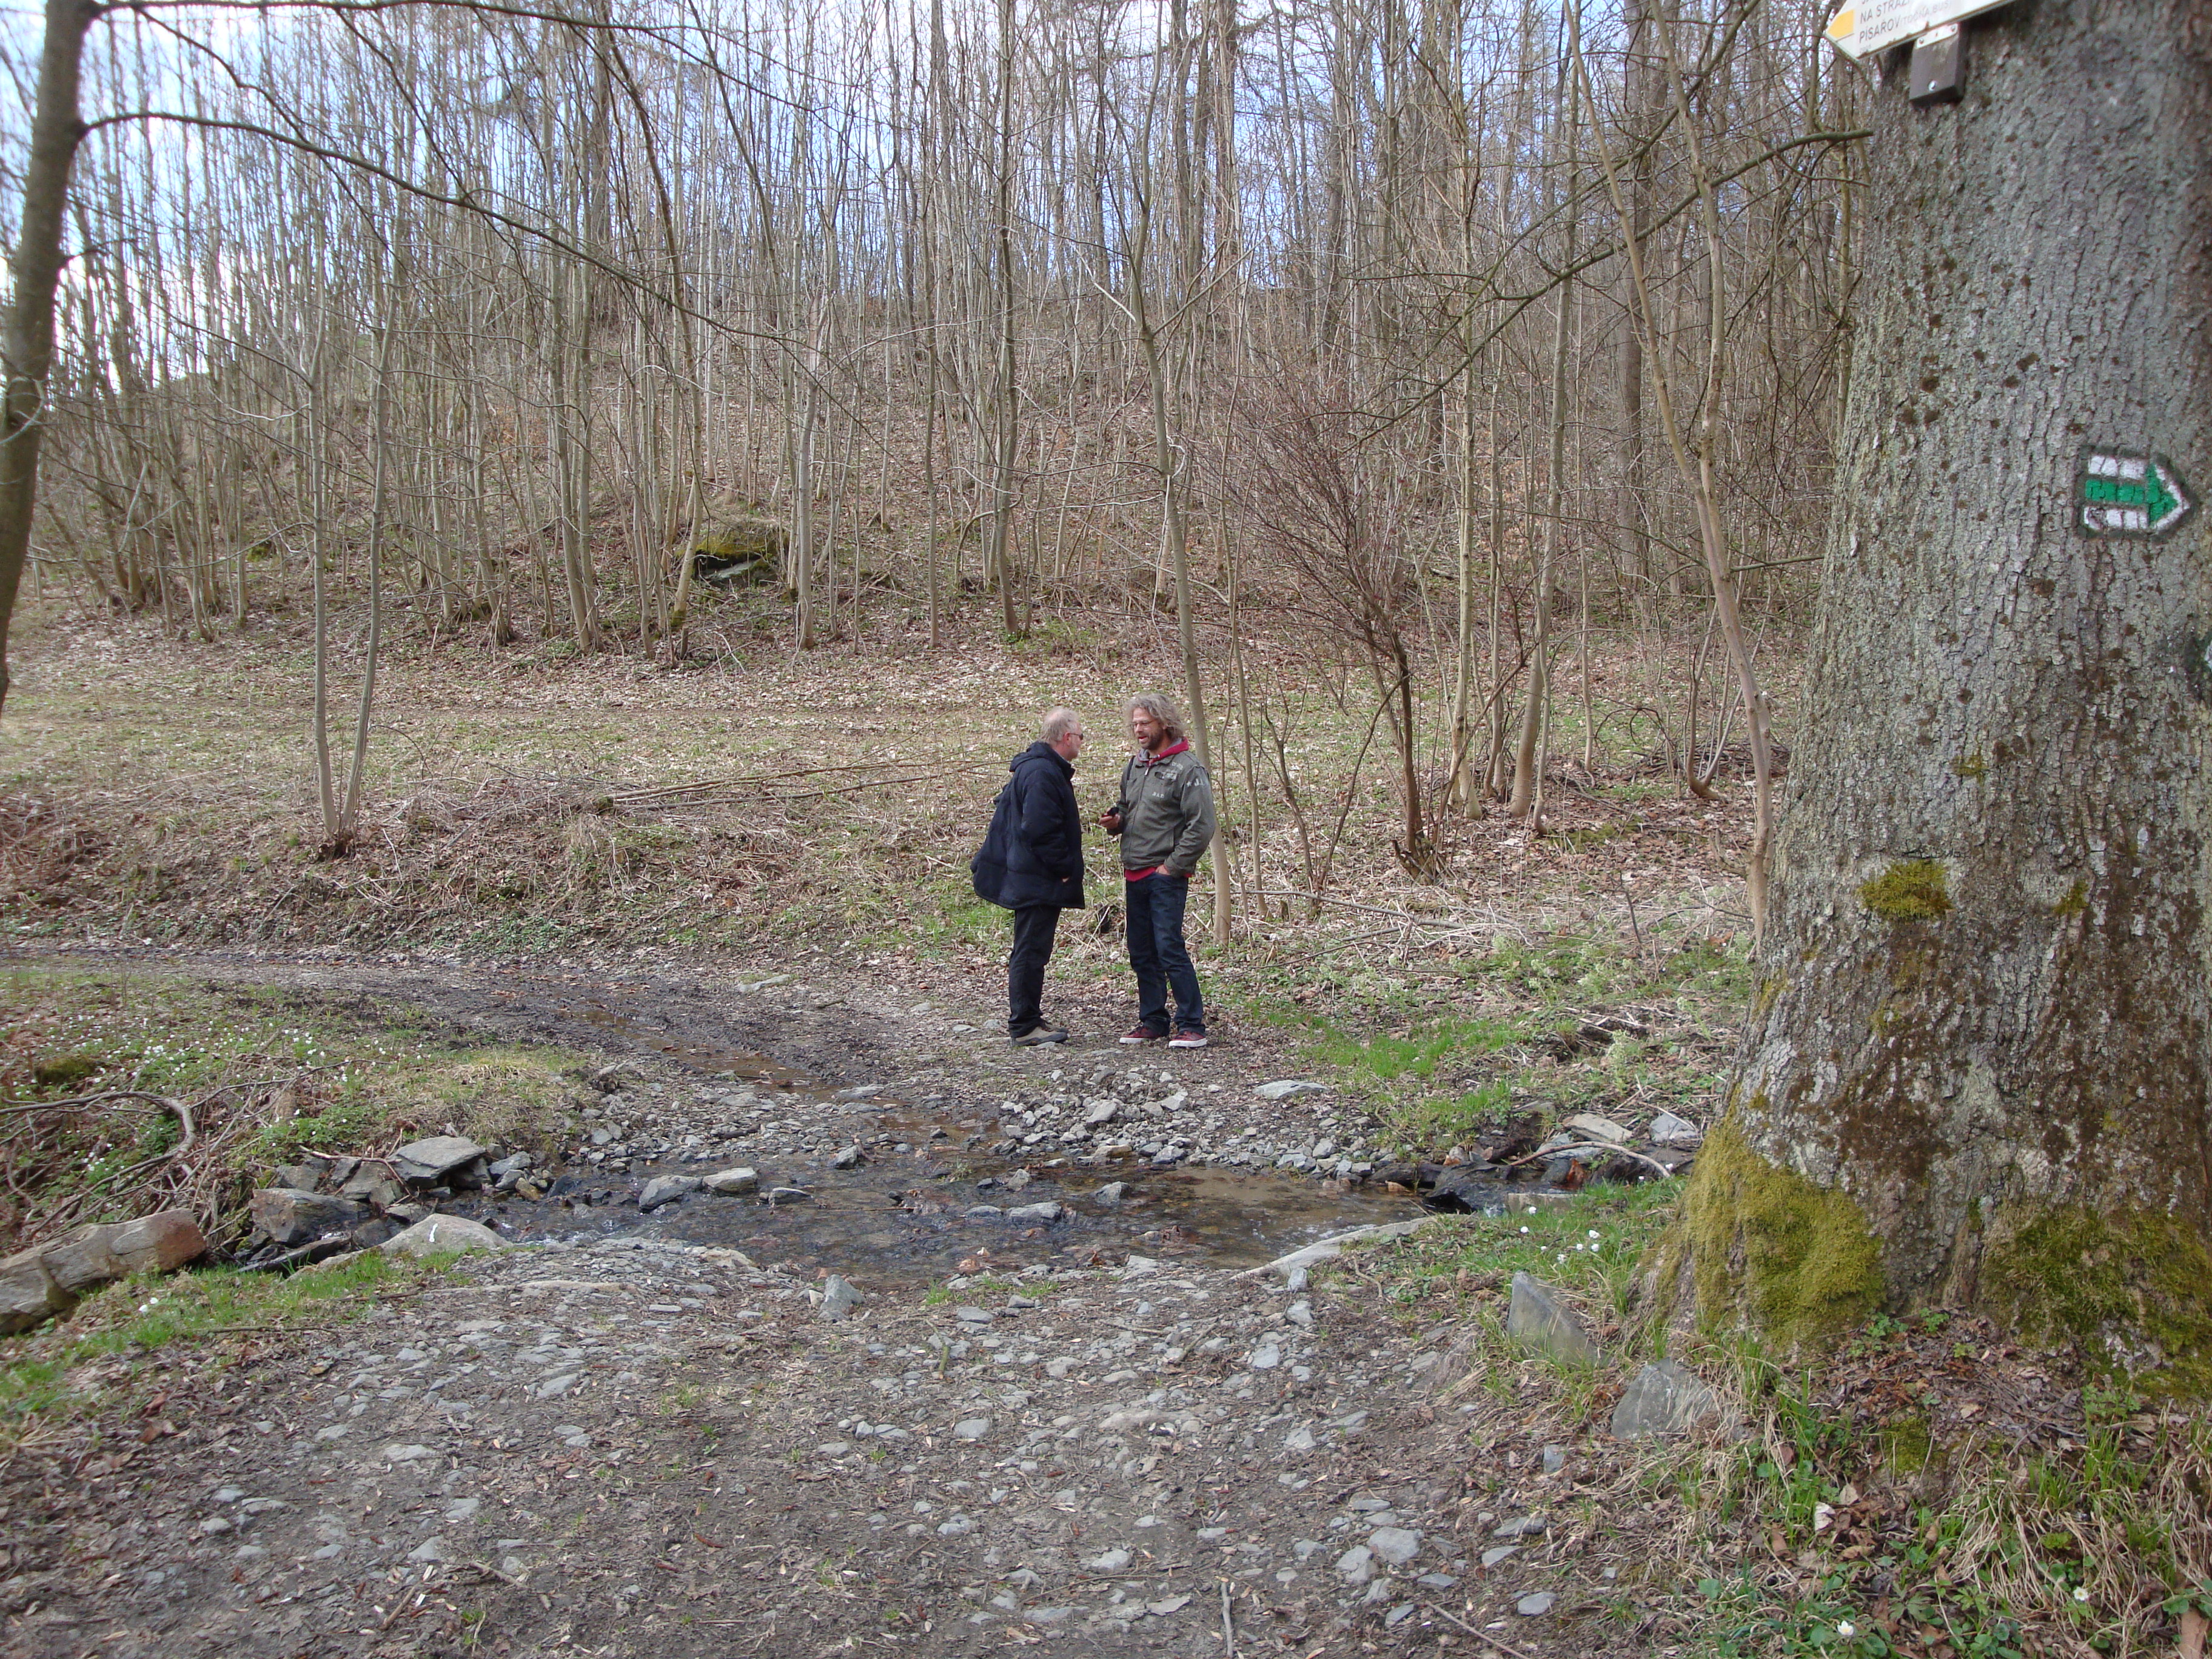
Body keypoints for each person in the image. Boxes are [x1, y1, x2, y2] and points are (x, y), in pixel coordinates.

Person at [1101, 692, 1216, 1048]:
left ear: (1164, 723)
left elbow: (1202, 825)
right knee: (1141, 951)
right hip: (1134, 872)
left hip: (1165, 876)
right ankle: (1153, 1020)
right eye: (1134, 724)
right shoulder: (1135, 766)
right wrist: (1116, 822)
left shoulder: (1188, 769)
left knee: (1169, 948)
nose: (1138, 730)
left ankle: (1192, 1024)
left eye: (1144, 723)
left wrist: (1172, 867)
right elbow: (1126, 809)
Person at [971, 708, 1088, 1044]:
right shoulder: (1041, 772)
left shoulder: (1040, 768)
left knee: (1033, 949)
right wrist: (1064, 869)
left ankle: (1029, 1018)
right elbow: (1039, 828)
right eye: (1081, 737)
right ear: (1067, 737)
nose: (1082, 743)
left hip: (1031, 874)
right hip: (1036, 878)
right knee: (1030, 951)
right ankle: (1024, 1026)